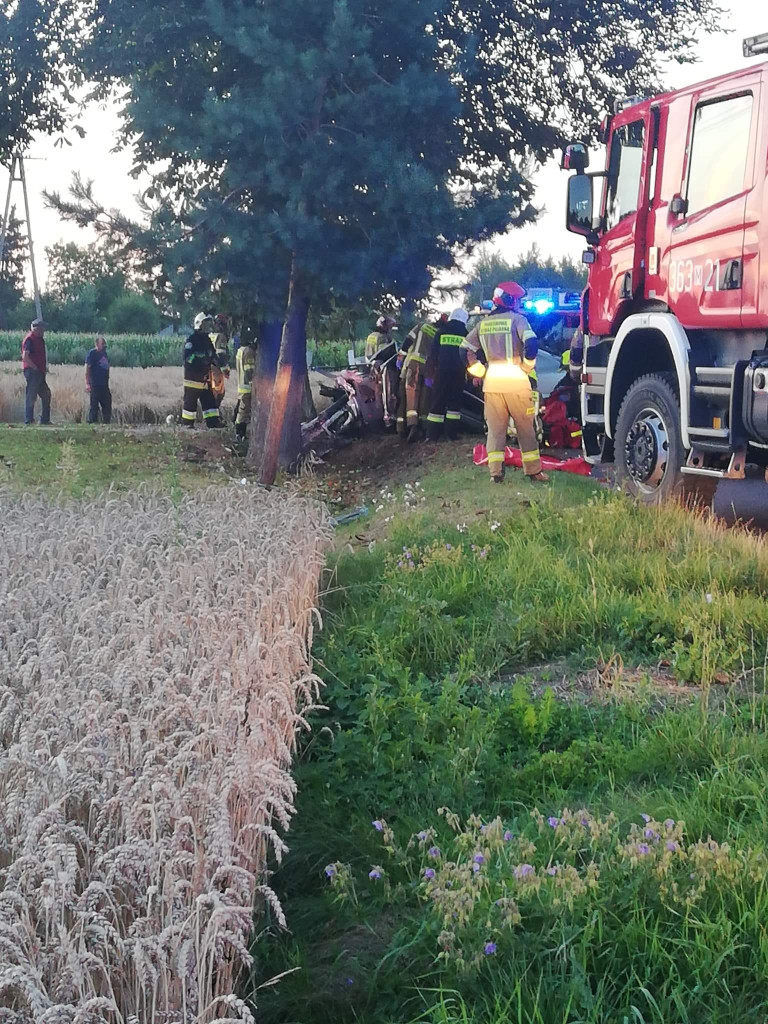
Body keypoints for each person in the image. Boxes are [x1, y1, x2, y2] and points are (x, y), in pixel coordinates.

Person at [462, 282, 548, 484]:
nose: (520, 304)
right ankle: (534, 472)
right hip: (517, 384)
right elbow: (532, 344)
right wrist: (526, 368)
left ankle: (496, 473)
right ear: (510, 300)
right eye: (518, 300)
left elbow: (464, 350)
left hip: (492, 385)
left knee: (495, 430)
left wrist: (480, 371)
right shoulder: (518, 320)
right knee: (526, 428)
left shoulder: (482, 324)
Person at [396, 315, 443, 442]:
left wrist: (400, 357)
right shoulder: (439, 333)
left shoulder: (421, 326)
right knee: (425, 397)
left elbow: (408, 341)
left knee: (411, 395)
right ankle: (422, 427)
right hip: (428, 368)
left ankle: (411, 427)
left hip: (414, 364)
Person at [427, 308, 469, 441]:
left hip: (442, 372)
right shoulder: (466, 334)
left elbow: (433, 353)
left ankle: (433, 435)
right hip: (458, 373)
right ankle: (451, 434)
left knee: (437, 401)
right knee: (454, 404)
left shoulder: (441, 332)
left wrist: (430, 372)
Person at [182, 313, 224, 428]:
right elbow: (187, 358)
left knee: (209, 401)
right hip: (193, 379)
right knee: (190, 402)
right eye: (206, 324)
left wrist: (220, 364)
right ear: (199, 324)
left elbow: (213, 355)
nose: (208, 327)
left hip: (205, 378)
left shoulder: (207, 340)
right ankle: (187, 424)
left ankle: (213, 422)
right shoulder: (192, 340)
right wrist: (201, 360)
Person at [21, 317, 51, 426]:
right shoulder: (30, 339)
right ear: (36, 329)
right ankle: (29, 420)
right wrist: (34, 367)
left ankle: (45, 420)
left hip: (39, 371)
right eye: (42, 328)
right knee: (31, 395)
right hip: (33, 371)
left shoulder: (40, 339)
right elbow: (25, 357)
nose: (43, 331)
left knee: (46, 394)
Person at [85, 335, 112, 424]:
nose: (104, 346)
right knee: (94, 406)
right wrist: (87, 383)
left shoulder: (105, 354)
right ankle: (92, 423)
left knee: (107, 404)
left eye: (105, 344)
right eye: (102, 344)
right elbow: (88, 368)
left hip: (104, 384)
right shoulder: (92, 353)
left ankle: (106, 422)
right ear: (97, 344)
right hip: (95, 384)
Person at [235, 335, 256, 439]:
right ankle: (240, 434)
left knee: (242, 410)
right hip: (247, 387)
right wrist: (253, 384)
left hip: (242, 385)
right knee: (244, 411)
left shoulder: (241, 350)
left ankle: (239, 433)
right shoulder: (249, 352)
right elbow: (249, 370)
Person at [209, 313, 231, 408]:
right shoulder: (221, 337)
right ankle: (215, 416)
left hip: (209, 367)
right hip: (217, 369)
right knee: (219, 393)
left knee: (212, 392)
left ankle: (213, 415)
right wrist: (225, 370)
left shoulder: (211, 335)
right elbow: (220, 355)